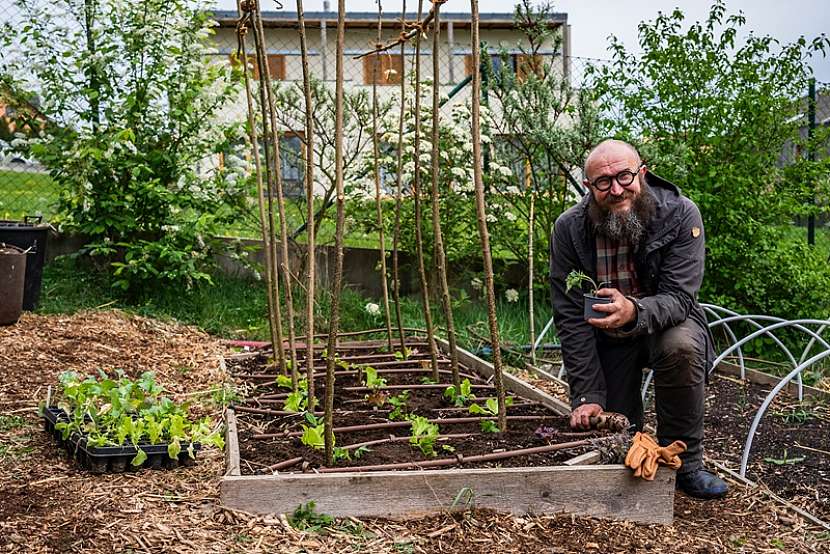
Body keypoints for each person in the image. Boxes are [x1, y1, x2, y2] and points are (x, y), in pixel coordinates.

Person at [549, 139, 728, 499]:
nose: (616, 189)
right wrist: (586, 393)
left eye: (624, 176)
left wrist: (633, 310)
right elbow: (570, 315)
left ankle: (686, 465)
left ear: (641, 173)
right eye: (603, 182)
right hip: (607, 335)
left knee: (681, 347)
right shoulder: (569, 228)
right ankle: (632, 452)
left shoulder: (679, 214)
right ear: (588, 187)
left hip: (666, 324)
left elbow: (679, 298)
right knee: (620, 435)